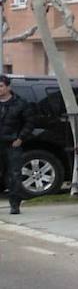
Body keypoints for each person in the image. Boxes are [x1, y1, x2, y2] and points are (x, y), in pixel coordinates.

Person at [0, 75, 33, 215]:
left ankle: (15, 205)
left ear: (8, 87)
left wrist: (20, 138)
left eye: (1, 86)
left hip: (12, 143)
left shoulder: (20, 103)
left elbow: (30, 122)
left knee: (14, 175)